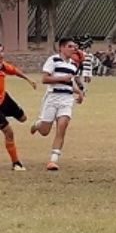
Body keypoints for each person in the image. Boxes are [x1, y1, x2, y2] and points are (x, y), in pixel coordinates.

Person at [30, 37, 85, 171]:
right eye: (71, 46)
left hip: (66, 99)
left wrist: (79, 92)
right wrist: (61, 78)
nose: (74, 49)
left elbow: (70, 82)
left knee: (62, 126)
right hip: (52, 97)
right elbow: (44, 79)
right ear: (62, 47)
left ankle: (53, 160)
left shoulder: (73, 65)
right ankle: (38, 124)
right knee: (45, 131)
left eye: (74, 47)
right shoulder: (53, 60)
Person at [0, 44, 37, 171]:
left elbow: (14, 71)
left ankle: (3, 116)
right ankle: (16, 163)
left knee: (23, 118)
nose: (1, 55)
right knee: (9, 132)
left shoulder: (2, 66)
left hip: (4, 99)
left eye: (1, 51)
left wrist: (28, 79)